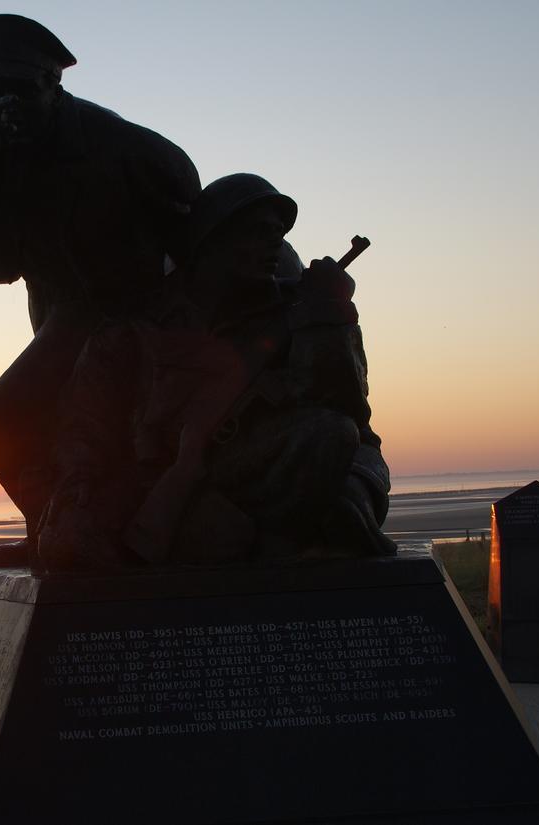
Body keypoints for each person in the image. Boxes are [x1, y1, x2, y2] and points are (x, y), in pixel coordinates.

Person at [0, 14, 200, 567]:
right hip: (57, 309)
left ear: (51, 83)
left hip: (126, 309)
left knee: (2, 421)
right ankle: (54, 528)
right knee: (51, 425)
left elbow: (188, 197)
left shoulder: (115, 141)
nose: (7, 103)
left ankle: (74, 531)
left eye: (19, 89)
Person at [38, 173, 394, 571]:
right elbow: (84, 428)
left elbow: (346, 408)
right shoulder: (133, 329)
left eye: (277, 232)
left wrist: (329, 315)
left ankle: (268, 553)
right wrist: (79, 491)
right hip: (148, 479)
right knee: (71, 539)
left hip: (254, 473)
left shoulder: (299, 312)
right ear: (212, 238)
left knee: (329, 435)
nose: (274, 242)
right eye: (258, 231)